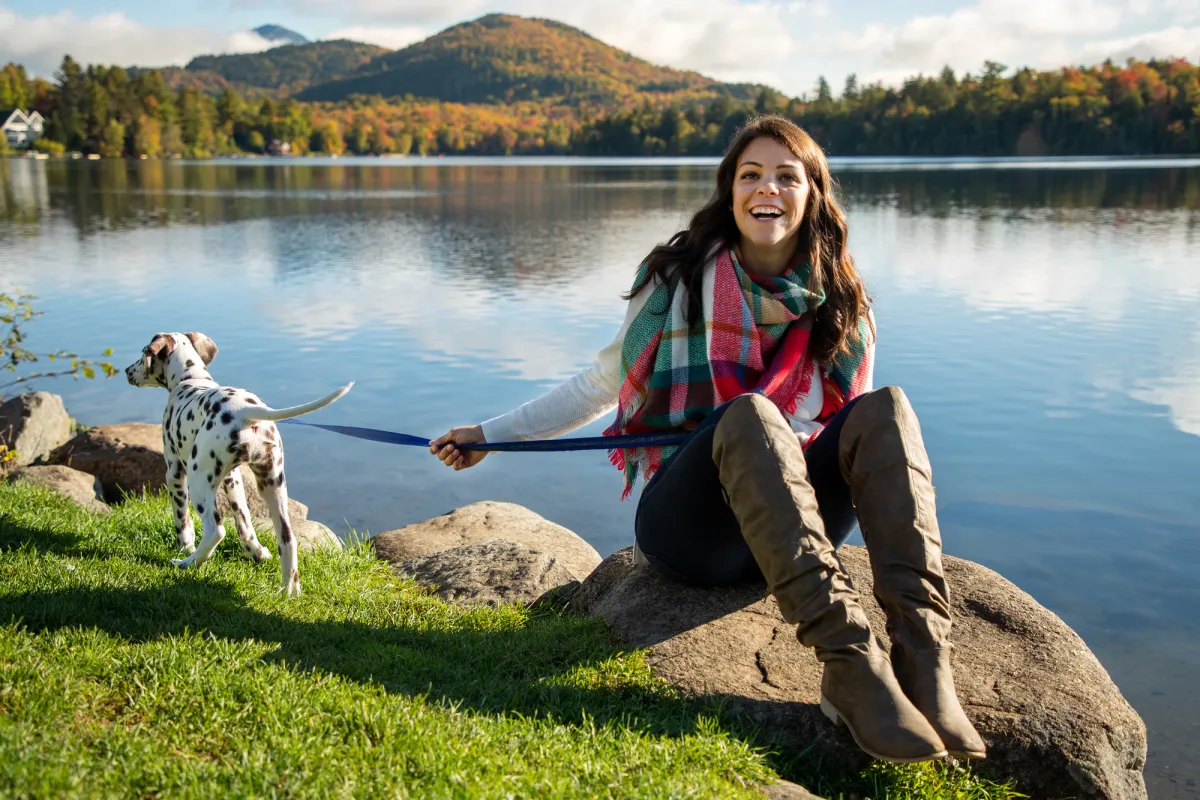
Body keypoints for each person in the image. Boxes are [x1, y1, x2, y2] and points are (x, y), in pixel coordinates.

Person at [429, 115, 986, 764]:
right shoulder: (676, 280)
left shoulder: (841, 300)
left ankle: (925, 657)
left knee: (885, 410)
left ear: (813, 195)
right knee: (749, 414)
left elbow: (856, 441)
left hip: (793, 526)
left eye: (787, 175)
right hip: (695, 529)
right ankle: (850, 663)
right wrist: (491, 436)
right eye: (750, 175)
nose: (767, 188)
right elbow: (600, 383)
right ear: (730, 193)